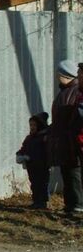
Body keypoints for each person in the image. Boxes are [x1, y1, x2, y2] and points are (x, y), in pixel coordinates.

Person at [47, 60, 83, 216]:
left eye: (59, 74)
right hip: (65, 140)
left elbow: (71, 119)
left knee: (73, 173)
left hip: (71, 141)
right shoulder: (66, 91)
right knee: (67, 173)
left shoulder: (73, 92)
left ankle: (78, 205)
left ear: (65, 75)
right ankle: (70, 205)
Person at [17, 112, 50, 210]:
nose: (32, 127)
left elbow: (45, 152)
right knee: (34, 184)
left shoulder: (44, 138)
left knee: (42, 184)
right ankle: (36, 201)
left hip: (42, 165)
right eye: (30, 125)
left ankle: (42, 202)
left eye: (34, 125)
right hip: (31, 166)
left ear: (39, 125)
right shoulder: (29, 138)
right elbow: (24, 148)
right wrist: (19, 154)